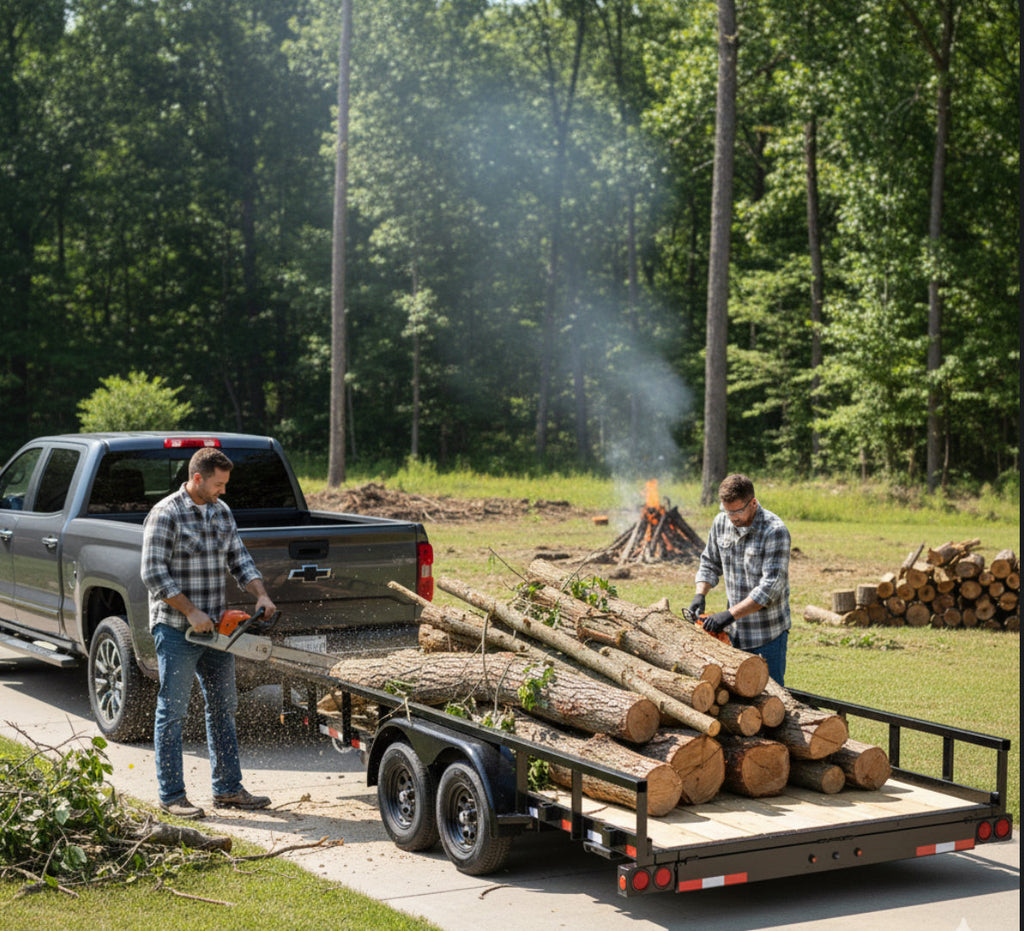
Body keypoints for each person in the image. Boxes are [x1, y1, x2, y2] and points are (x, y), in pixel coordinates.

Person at [141, 446, 277, 819]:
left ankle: (228, 789)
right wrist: (190, 611)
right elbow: (153, 574)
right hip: (175, 630)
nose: (224, 490)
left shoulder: (221, 511)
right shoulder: (166, 514)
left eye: (226, 484)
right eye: (218, 483)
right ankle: (171, 796)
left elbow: (239, 558)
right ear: (197, 478)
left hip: (217, 630)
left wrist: (260, 594)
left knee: (224, 707)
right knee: (173, 711)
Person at [689, 473, 792, 685]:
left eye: (737, 511)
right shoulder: (721, 523)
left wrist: (728, 615)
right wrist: (700, 594)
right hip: (734, 635)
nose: (732, 517)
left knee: (771, 700)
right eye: (727, 511)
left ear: (753, 503)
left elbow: (770, 589)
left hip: (767, 636)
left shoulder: (775, 531)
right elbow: (709, 563)